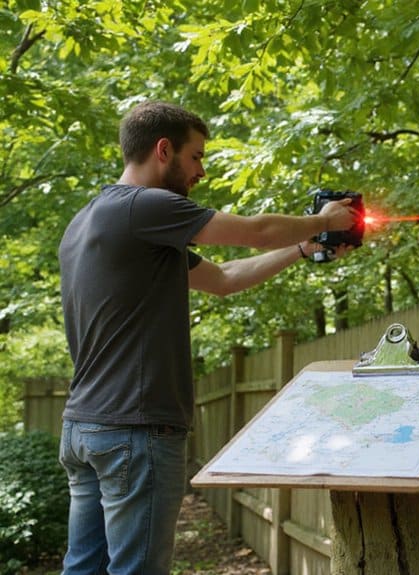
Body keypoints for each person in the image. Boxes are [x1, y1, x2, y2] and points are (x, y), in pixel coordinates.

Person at [56, 101, 358, 574]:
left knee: (83, 568)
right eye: (195, 156)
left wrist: (302, 248)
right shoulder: (144, 207)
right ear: (163, 150)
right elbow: (255, 232)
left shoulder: (91, 221)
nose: (201, 169)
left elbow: (224, 279)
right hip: (136, 428)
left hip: (85, 427)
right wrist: (325, 220)